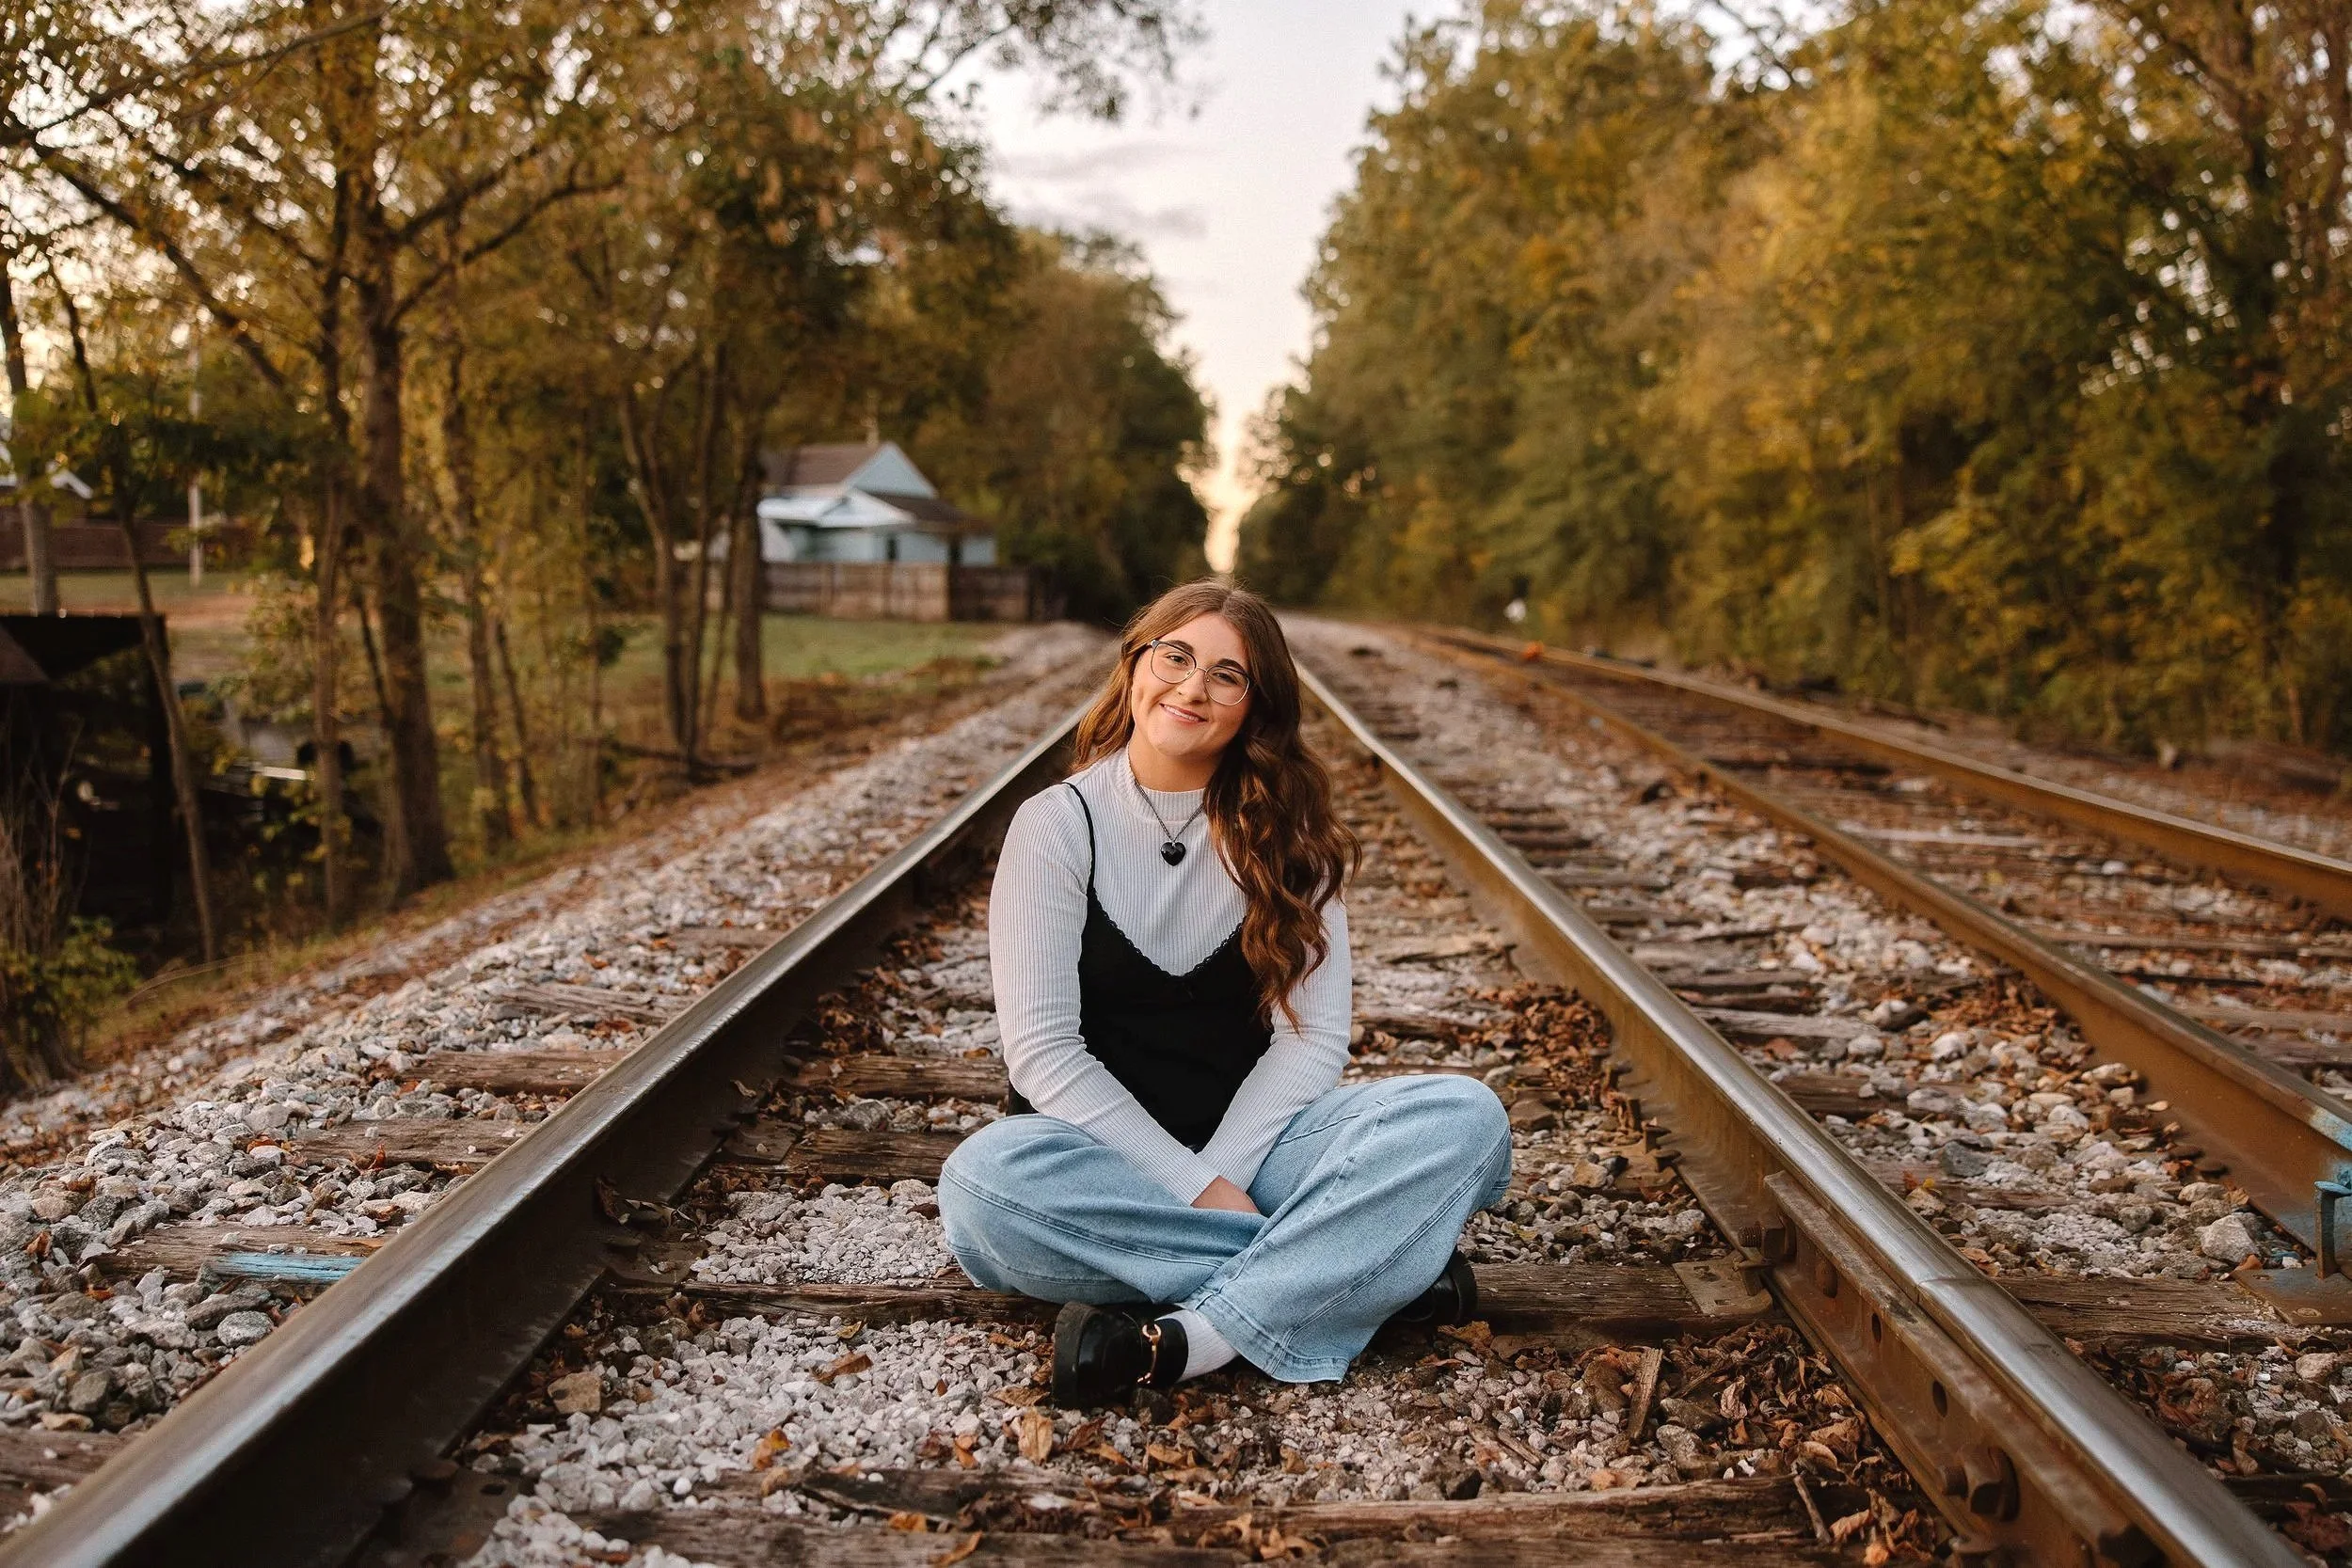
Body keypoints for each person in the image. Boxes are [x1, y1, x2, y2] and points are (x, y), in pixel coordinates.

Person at [938, 579, 1513, 1407]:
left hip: (1266, 1155)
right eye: (1175, 655)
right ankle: (1369, 1272)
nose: (1191, 687)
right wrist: (1191, 1186)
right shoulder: (1057, 825)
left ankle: (1189, 1341)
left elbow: (1311, 1042)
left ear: (1255, 706)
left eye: (1227, 674)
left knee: (1467, 1117)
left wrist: (1225, 1172)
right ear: (1136, 663)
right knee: (981, 1187)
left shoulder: (1292, 838)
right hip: (1103, 1171)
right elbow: (1043, 1054)